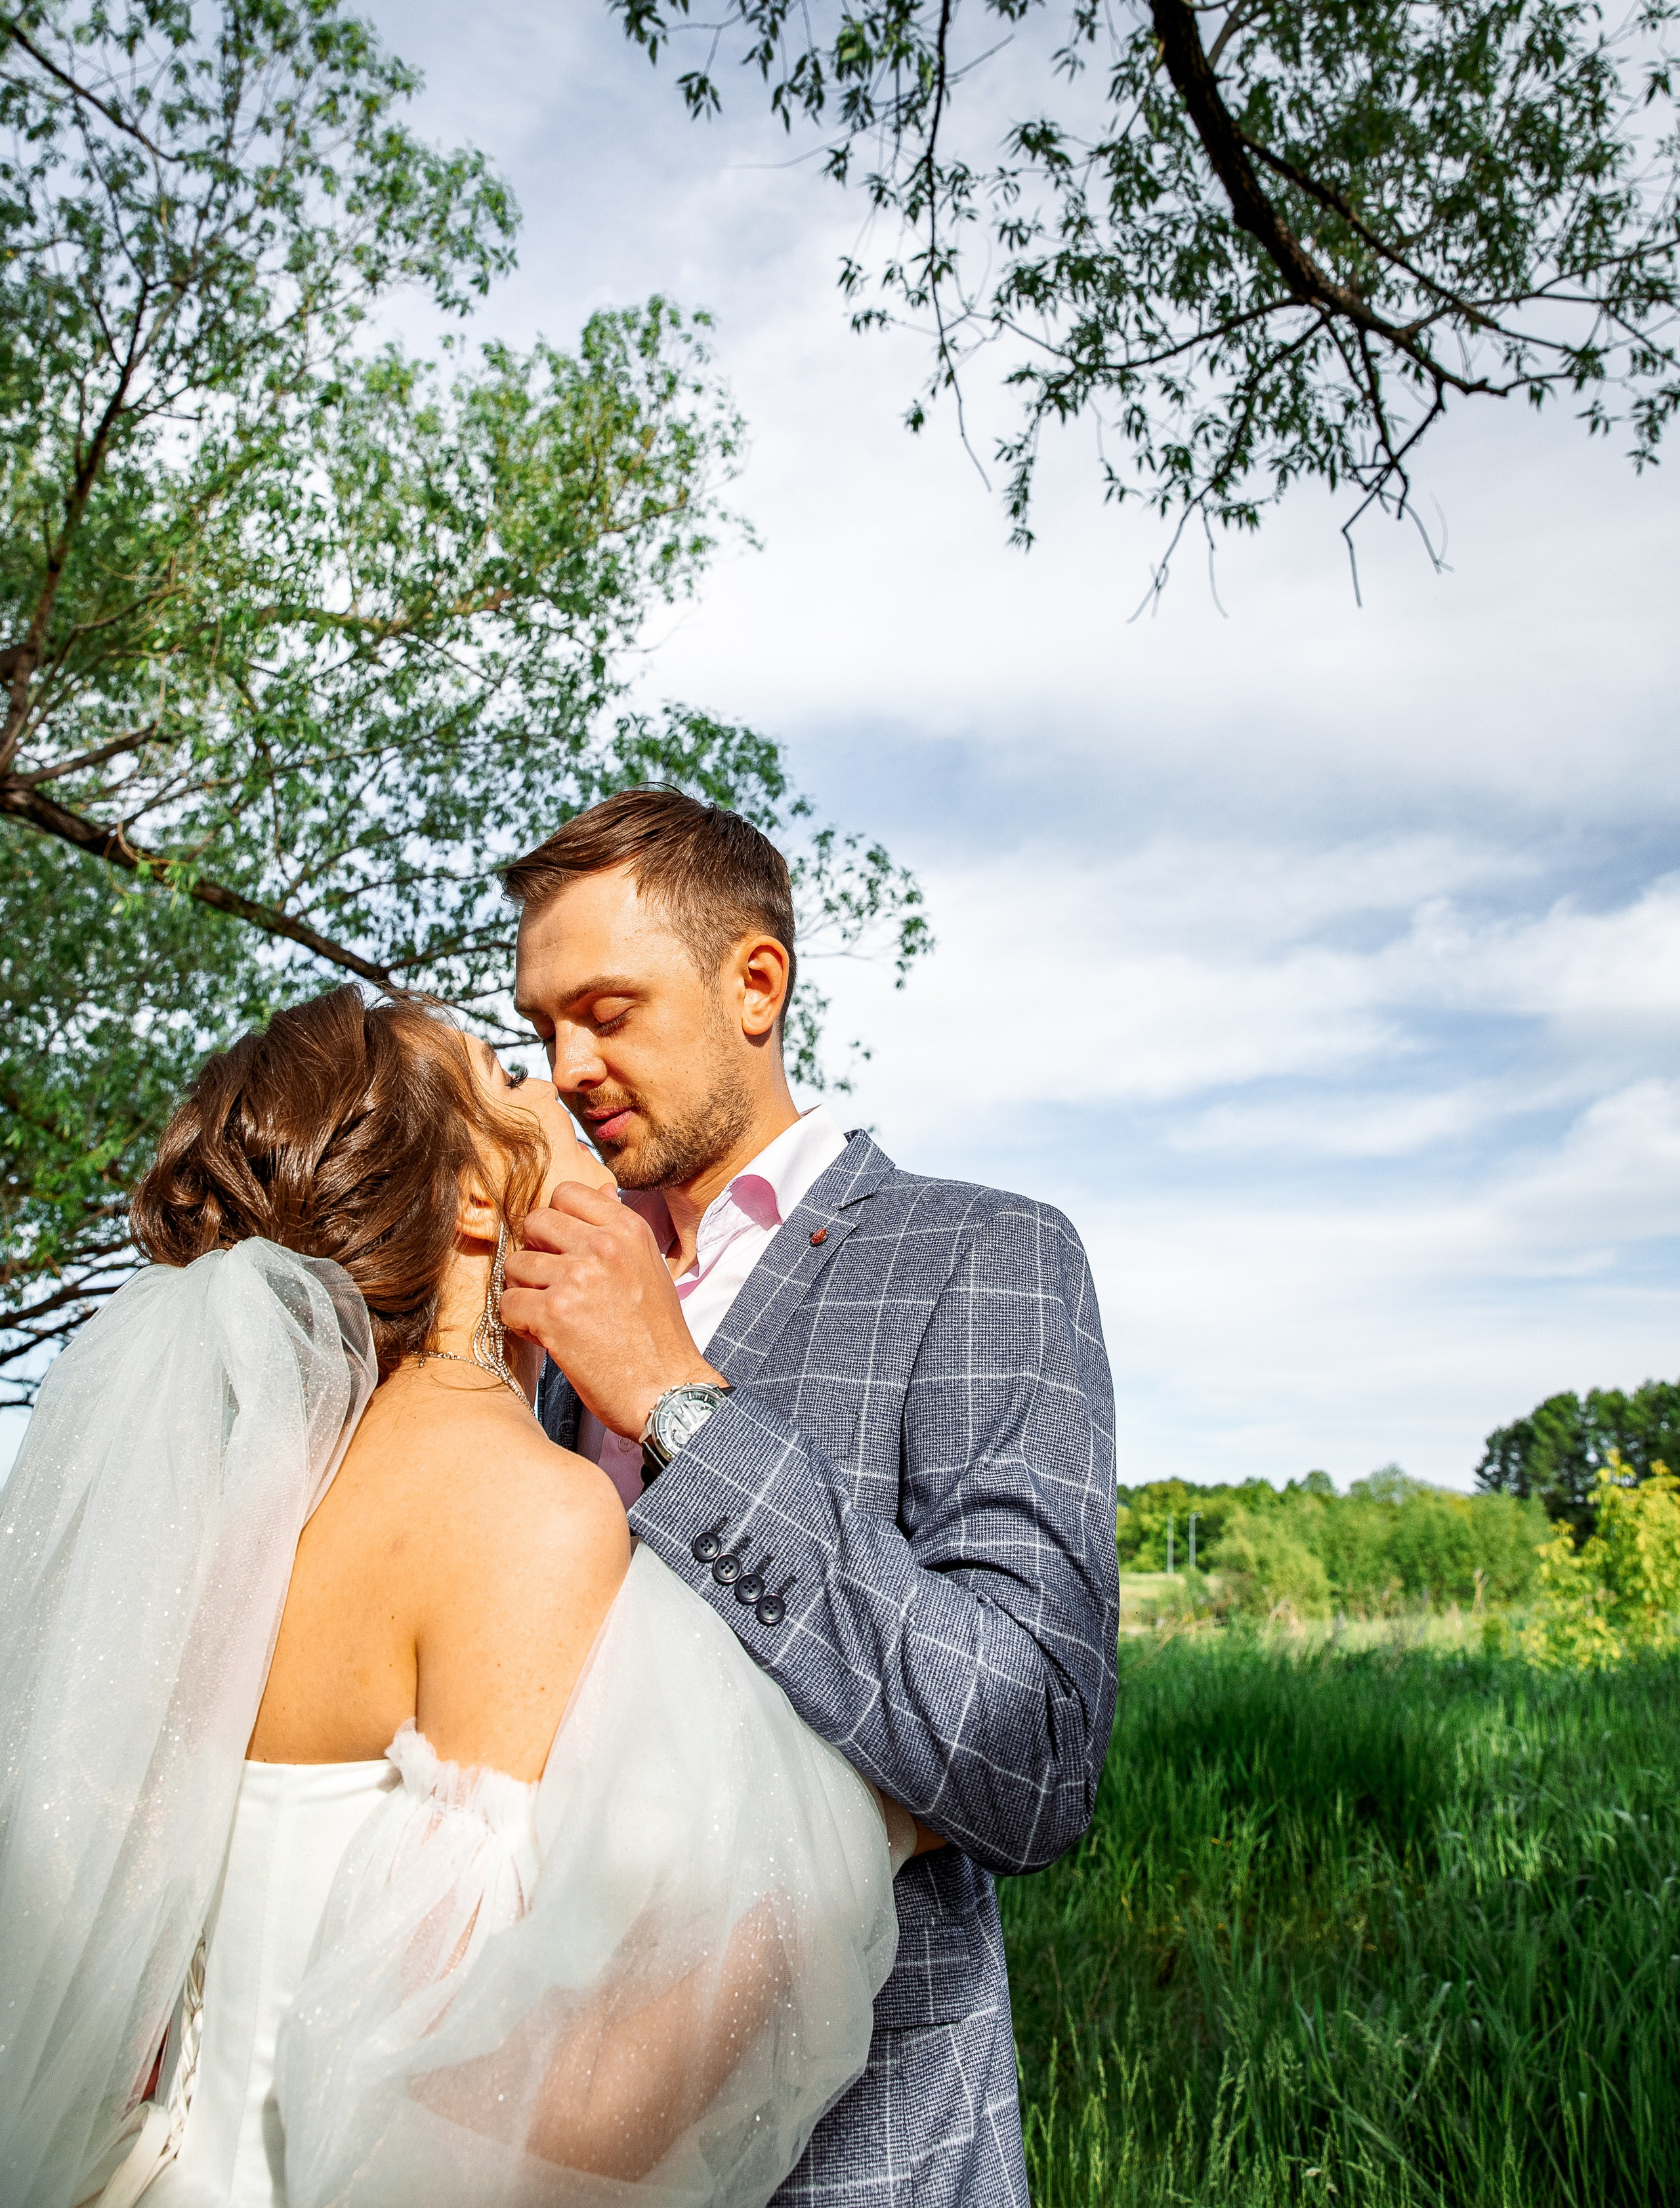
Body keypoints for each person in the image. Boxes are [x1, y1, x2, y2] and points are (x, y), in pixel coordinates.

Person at [0, 988, 908, 2208]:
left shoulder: (249, 1505)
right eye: (503, 1075)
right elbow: (486, 2111)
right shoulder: (522, 1509)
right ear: (480, 1196)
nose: (557, 1087)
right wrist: (846, 1835)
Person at [498, 790, 1120, 2208]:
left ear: (755, 983)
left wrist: (676, 1403)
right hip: (540, 2134)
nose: (567, 1065)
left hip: (855, 2162)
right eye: (540, 1027)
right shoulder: (541, 1294)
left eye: (606, 1009)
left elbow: (1029, 1760)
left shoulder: (988, 1254)